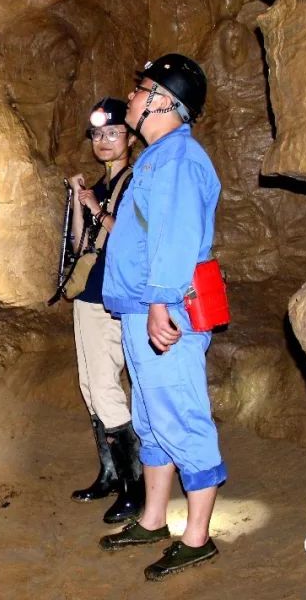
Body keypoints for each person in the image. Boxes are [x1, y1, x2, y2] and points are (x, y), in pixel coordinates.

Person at [98, 54, 226, 581]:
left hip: (167, 311)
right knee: (152, 419)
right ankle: (153, 519)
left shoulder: (177, 159)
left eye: (140, 88)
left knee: (183, 417)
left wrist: (157, 304)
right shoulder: (158, 157)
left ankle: (197, 538)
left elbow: (174, 239)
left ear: (164, 101)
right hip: (145, 309)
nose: (130, 95)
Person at [65, 97, 144, 525]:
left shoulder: (135, 182)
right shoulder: (100, 186)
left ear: (130, 138)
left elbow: (130, 238)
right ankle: (111, 474)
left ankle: (135, 488)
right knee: (90, 386)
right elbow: (81, 246)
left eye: (113, 133)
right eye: (97, 135)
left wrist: (96, 207)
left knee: (107, 388)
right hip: (88, 297)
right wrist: (81, 203)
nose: (104, 141)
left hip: (113, 300)